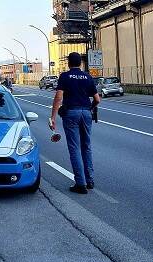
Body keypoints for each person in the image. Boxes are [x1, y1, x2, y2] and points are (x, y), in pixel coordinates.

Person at [49, 52, 101, 194]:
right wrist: (89, 109)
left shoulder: (65, 76)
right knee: (86, 146)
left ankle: (80, 183)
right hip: (86, 113)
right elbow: (97, 99)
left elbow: (59, 97)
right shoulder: (88, 76)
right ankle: (90, 181)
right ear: (80, 63)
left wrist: (53, 117)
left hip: (71, 113)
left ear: (68, 63)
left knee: (74, 148)